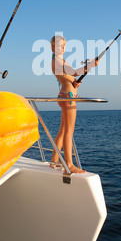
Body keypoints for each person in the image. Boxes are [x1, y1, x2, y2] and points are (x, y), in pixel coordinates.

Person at [50, 35, 99, 174]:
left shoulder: (58, 60)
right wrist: (90, 65)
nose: (62, 48)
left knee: (63, 129)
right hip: (68, 97)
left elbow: (69, 76)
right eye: (59, 45)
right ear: (53, 47)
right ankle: (69, 165)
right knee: (68, 131)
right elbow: (73, 71)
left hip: (65, 94)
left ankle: (55, 160)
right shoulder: (57, 60)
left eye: (64, 45)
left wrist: (75, 82)